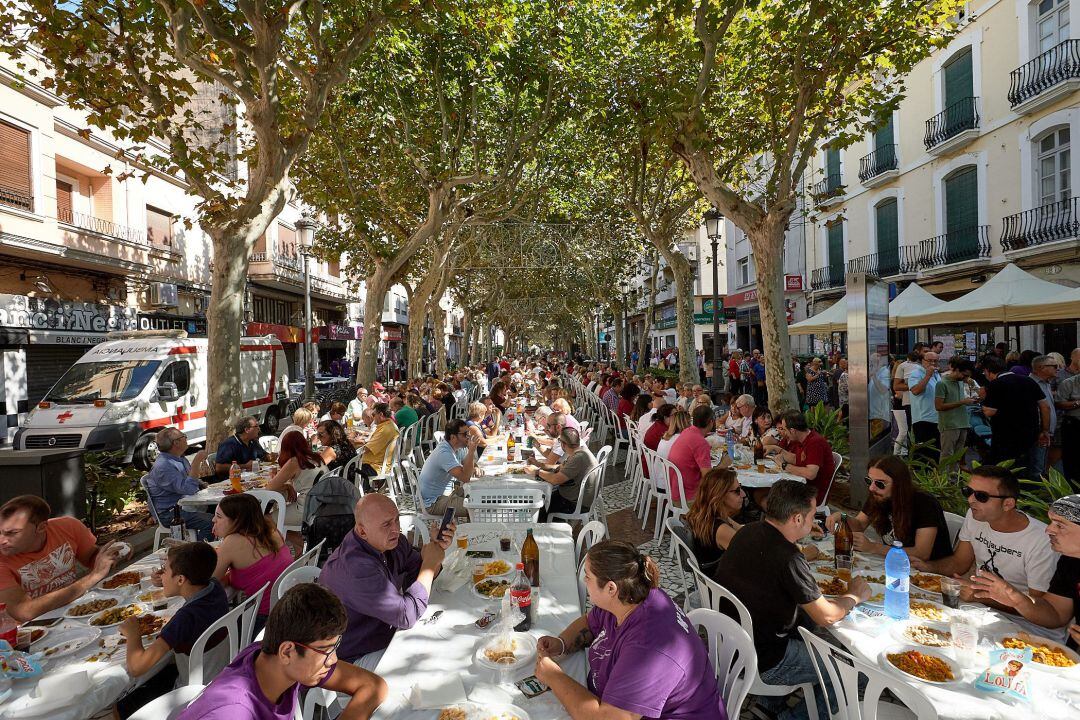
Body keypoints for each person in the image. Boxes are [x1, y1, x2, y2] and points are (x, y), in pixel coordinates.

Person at [713, 480, 870, 720]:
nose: (814, 520)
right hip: (765, 659)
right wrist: (854, 596)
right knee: (856, 673)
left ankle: (768, 706)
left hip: (730, 643)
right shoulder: (788, 558)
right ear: (797, 519)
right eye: (812, 515)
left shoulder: (748, 531)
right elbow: (827, 615)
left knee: (810, 629)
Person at [535, 541, 725, 719]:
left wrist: (553, 676)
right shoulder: (631, 596)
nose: (584, 580)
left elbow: (609, 718)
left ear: (611, 588)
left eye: (588, 576)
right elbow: (589, 622)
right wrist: (560, 644)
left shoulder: (648, 648)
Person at [176, 582, 387, 720]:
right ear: (287, 651)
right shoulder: (234, 712)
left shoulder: (271, 659)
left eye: (334, 648)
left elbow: (373, 685)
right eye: (325, 651)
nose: (332, 660)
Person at [912, 465, 1060, 637]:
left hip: (1027, 628)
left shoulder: (1040, 541)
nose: (971, 500)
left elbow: (1039, 608)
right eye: (968, 491)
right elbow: (959, 563)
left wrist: (981, 596)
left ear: (1008, 504)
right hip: (979, 610)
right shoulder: (975, 516)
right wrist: (928, 567)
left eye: (981, 496)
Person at [319, 494, 453, 667]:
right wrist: (430, 564)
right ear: (362, 531)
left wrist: (435, 552)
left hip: (386, 633)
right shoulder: (356, 569)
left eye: (396, 520)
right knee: (434, 658)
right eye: (386, 524)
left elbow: (418, 577)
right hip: (351, 659)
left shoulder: (391, 542)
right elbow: (407, 615)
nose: (396, 529)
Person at [966, 493, 1079, 646]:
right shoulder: (1070, 560)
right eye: (1051, 522)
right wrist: (1017, 599)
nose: (1048, 530)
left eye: (1060, 525)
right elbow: (1056, 615)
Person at [0, 496, 122, 621]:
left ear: (41, 527)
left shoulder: (67, 526)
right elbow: (24, 612)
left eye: (12, 533)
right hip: (33, 631)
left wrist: (114, 553)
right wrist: (93, 577)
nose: (2, 540)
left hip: (76, 610)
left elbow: (91, 558)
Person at [121, 541, 230, 678]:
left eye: (164, 571)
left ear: (180, 580)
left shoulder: (184, 618)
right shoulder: (215, 587)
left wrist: (133, 634)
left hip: (196, 691)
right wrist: (168, 581)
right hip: (221, 673)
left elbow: (136, 668)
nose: (161, 575)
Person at [824, 455, 951, 562]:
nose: (872, 488)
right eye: (869, 481)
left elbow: (922, 553)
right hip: (895, 564)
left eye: (880, 483)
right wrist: (842, 517)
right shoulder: (879, 495)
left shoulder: (925, 504)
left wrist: (873, 547)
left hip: (927, 574)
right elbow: (860, 524)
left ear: (899, 484)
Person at [212, 494, 293, 626]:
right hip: (288, 607)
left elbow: (209, 580)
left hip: (266, 620)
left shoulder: (233, 542)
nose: (213, 519)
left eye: (219, 517)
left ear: (237, 520)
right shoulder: (270, 530)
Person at [981, 354, 1050, 477]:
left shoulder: (996, 384)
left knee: (1005, 469)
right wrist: (1045, 430)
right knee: (1027, 466)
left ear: (988, 371)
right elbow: (1045, 407)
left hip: (1005, 435)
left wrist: (983, 400)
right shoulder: (1029, 381)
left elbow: (988, 411)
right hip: (1030, 433)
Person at [144, 427, 214, 540]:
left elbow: (188, 479)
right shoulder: (163, 466)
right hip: (171, 513)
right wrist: (196, 462)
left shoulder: (179, 458)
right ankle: (201, 554)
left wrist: (202, 484)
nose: (186, 438)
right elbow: (189, 489)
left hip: (187, 504)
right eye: (184, 436)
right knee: (212, 522)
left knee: (224, 509)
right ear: (176, 443)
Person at [266, 431, 326, 549]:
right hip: (320, 505)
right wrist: (288, 486)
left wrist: (287, 486)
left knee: (263, 520)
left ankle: (294, 544)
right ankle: (297, 545)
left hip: (306, 510)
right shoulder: (315, 457)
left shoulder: (294, 461)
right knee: (280, 516)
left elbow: (270, 488)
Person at [525, 428, 598, 517]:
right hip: (574, 496)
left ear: (563, 444)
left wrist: (537, 471)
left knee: (537, 505)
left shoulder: (578, 458)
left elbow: (555, 480)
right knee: (543, 495)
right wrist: (539, 464)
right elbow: (559, 467)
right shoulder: (579, 451)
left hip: (575, 504)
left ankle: (540, 527)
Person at [684, 468, 745, 572]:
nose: (743, 494)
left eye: (741, 488)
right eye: (737, 491)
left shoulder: (703, 514)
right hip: (719, 583)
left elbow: (741, 530)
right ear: (720, 495)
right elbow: (749, 555)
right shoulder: (721, 529)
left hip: (708, 578)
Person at [768, 410, 836, 505]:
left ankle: (779, 518)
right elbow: (797, 459)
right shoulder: (802, 439)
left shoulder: (815, 443)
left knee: (769, 495)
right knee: (765, 492)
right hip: (801, 486)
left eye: (784, 429)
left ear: (792, 431)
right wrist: (778, 450)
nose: (784, 433)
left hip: (812, 494)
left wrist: (784, 465)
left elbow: (810, 473)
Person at [417, 419, 480, 517]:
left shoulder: (458, 447)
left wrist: (476, 467)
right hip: (433, 502)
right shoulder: (444, 453)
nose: (468, 437)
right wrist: (472, 451)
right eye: (465, 434)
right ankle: (472, 531)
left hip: (448, 493)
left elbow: (467, 462)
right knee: (477, 507)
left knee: (480, 493)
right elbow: (465, 478)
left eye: (468, 433)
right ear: (453, 437)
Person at [934, 356, 980, 472]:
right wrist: (962, 402)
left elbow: (958, 401)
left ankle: (953, 481)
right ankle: (943, 482)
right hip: (949, 424)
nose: (966, 378)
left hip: (963, 423)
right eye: (964, 375)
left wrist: (969, 400)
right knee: (947, 455)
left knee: (957, 457)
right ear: (957, 370)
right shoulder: (942, 383)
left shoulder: (960, 382)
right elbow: (939, 406)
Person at [667, 405, 715, 502]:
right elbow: (708, 477)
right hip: (689, 496)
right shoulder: (700, 442)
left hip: (675, 490)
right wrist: (723, 464)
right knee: (727, 488)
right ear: (711, 422)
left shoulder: (687, 431)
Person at [1030, 355, 1061, 480]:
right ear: (1041, 368)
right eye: (1054, 366)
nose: (1057, 369)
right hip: (1039, 433)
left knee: (1042, 465)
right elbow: (1040, 409)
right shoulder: (1032, 383)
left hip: (1047, 432)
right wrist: (1043, 430)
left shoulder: (1046, 383)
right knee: (1036, 466)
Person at [907, 350, 941, 462]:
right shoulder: (916, 374)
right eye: (929, 361)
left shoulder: (937, 374)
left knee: (935, 453)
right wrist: (927, 375)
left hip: (936, 418)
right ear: (922, 361)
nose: (932, 364)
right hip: (923, 419)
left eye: (935, 361)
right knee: (923, 454)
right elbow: (916, 390)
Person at [355, 403, 399, 486]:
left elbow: (366, 449)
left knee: (346, 468)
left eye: (373, 414)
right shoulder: (388, 425)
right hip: (378, 463)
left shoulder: (385, 430)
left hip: (376, 467)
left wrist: (354, 443)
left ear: (381, 414)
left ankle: (357, 493)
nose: (372, 417)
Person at [1056, 362, 1080, 482]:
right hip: (1074, 424)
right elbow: (1059, 403)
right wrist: (1077, 403)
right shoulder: (1069, 383)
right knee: (1072, 458)